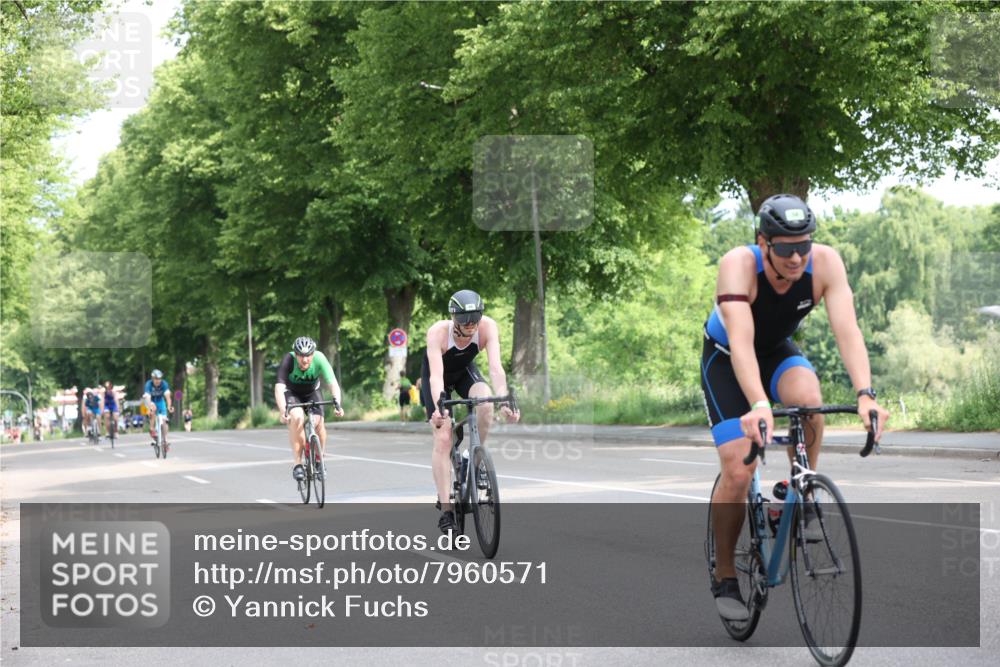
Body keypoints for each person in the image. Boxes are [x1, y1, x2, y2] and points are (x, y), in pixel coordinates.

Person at [702, 194, 890, 621]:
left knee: (809, 400)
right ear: (762, 242)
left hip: (777, 352)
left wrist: (866, 393)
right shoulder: (738, 265)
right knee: (738, 468)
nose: (796, 257)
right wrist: (757, 404)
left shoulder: (824, 264)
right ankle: (726, 572)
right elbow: (742, 345)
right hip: (728, 358)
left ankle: (798, 488)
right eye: (785, 248)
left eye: (803, 246)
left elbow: (848, 330)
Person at [422, 289, 519, 534]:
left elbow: (496, 368)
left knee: (485, 402)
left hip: (465, 372)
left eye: (476, 318)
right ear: (455, 319)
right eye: (467, 320)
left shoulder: (488, 327)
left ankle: (473, 459)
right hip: (438, 379)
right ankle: (446, 511)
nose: (472, 325)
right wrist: (439, 408)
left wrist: (504, 399)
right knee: (443, 437)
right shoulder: (437, 333)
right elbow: (435, 377)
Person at [274, 336, 344, 482]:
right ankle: (298, 464)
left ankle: (319, 460)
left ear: (313, 353)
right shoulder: (288, 360)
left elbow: (333, 383)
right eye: (301, 356)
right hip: (292, 393)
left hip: (312, 392)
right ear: (295, 354)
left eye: (308, 356)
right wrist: (283, 411)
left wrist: (338, 403)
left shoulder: (320, 358)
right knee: (297, 417)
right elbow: (279, 388)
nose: (305, 360)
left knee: (318, 422)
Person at [143, 370, 173, 449]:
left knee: (164, 420)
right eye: (156, 379)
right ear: (152, 379)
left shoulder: (164, 384)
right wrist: (149, 408)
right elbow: (148, 397)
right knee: (153, 408)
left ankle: (165, 440)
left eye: (159, 379)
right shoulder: (148, 384)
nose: (158, 381)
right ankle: (152, 429)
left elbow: (167, 396)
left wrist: (169, 406)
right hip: (150, 401)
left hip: (160, 401)